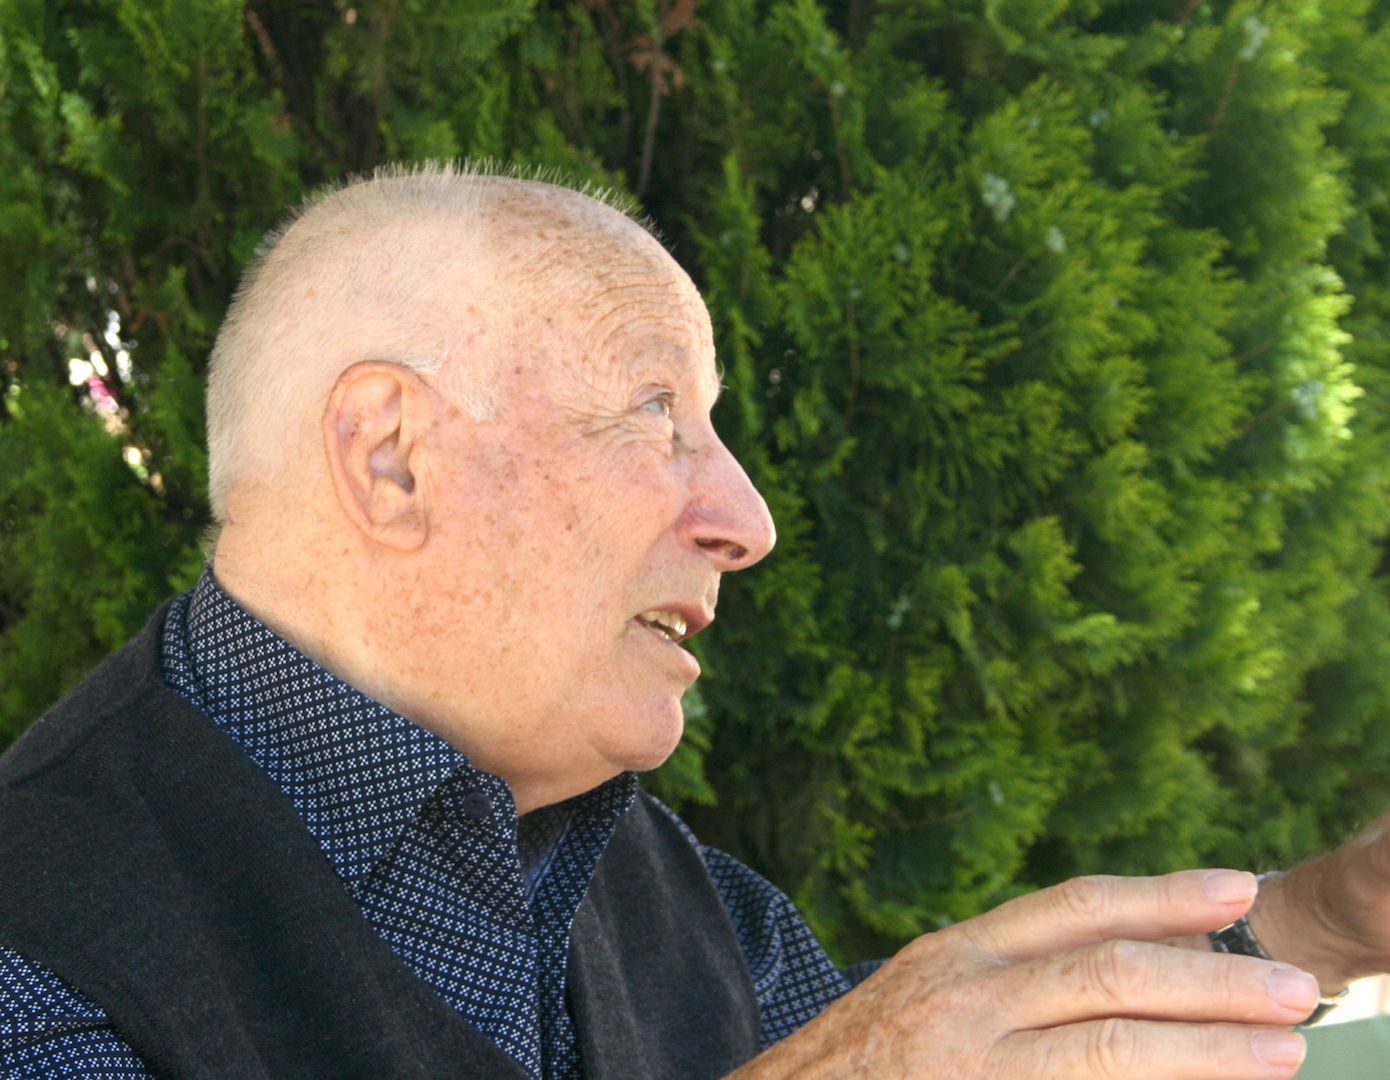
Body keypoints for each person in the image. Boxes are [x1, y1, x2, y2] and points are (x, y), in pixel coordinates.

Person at [0, 164, 1358, 1080]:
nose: (747, 520)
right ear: (392, 457)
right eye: (658, 415)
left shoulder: (626, 869)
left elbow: (920, 1047)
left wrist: (1324, 921)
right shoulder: (36, 954)